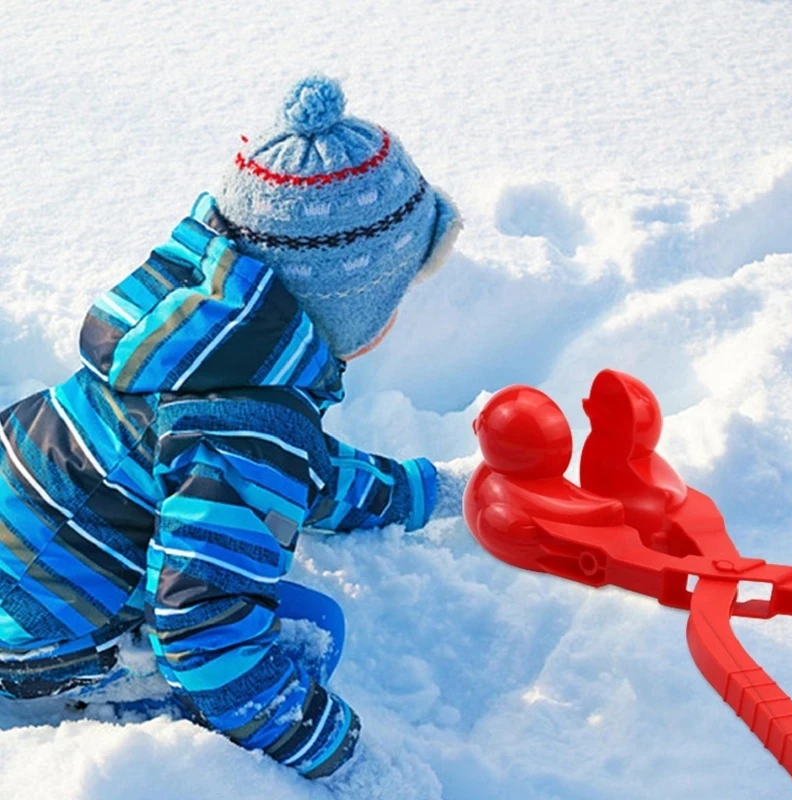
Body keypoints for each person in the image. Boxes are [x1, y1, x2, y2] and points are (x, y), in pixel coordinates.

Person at [0, 75, 463, 783]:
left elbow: (292, 467)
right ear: (350, 305)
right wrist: (344, 760)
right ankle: (123, 692)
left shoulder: (194, 336)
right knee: (301, 640)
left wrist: (414, 495)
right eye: (396, 294)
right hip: (29, 620)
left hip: (22, 516)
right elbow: (207, 635)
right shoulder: (246, 429)